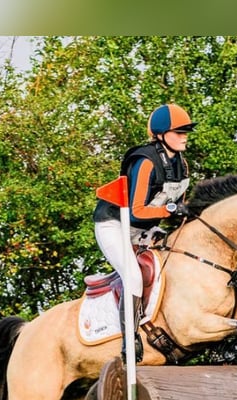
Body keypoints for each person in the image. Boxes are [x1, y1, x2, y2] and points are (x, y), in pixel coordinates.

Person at [93, 103, 196, 362]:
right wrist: (171, 210)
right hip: (115, 225)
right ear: (161, 135)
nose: (184, 136)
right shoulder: (146, 161)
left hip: (145, 229)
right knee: (134, 276)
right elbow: (137, 211)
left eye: (186, 132)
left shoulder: (182, 165)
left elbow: (174, 209)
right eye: (179, 132)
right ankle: (130, 339)